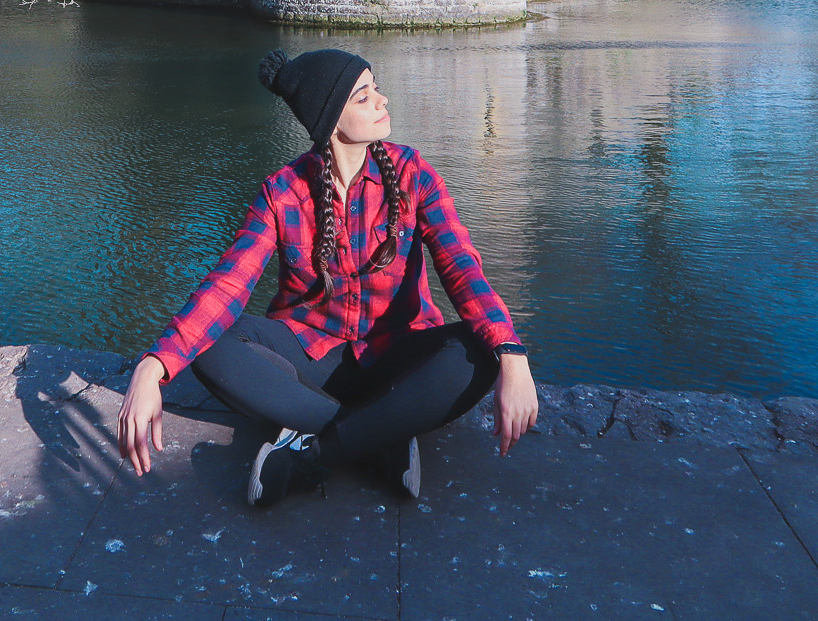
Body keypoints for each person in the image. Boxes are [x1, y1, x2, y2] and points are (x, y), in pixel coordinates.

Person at [115, 48, 538, 507]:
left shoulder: (415, 174)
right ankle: (383, 436)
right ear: (330, 121)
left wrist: (511, 353)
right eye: (364, 96)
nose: (382, 100)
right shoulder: (282, 192)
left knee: (477, 354)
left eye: (375, 88)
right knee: (210, 346)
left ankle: (314, 451)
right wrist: (152, 366)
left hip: (396, 356)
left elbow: (461, 265)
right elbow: (229, 283)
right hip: (310, 360)